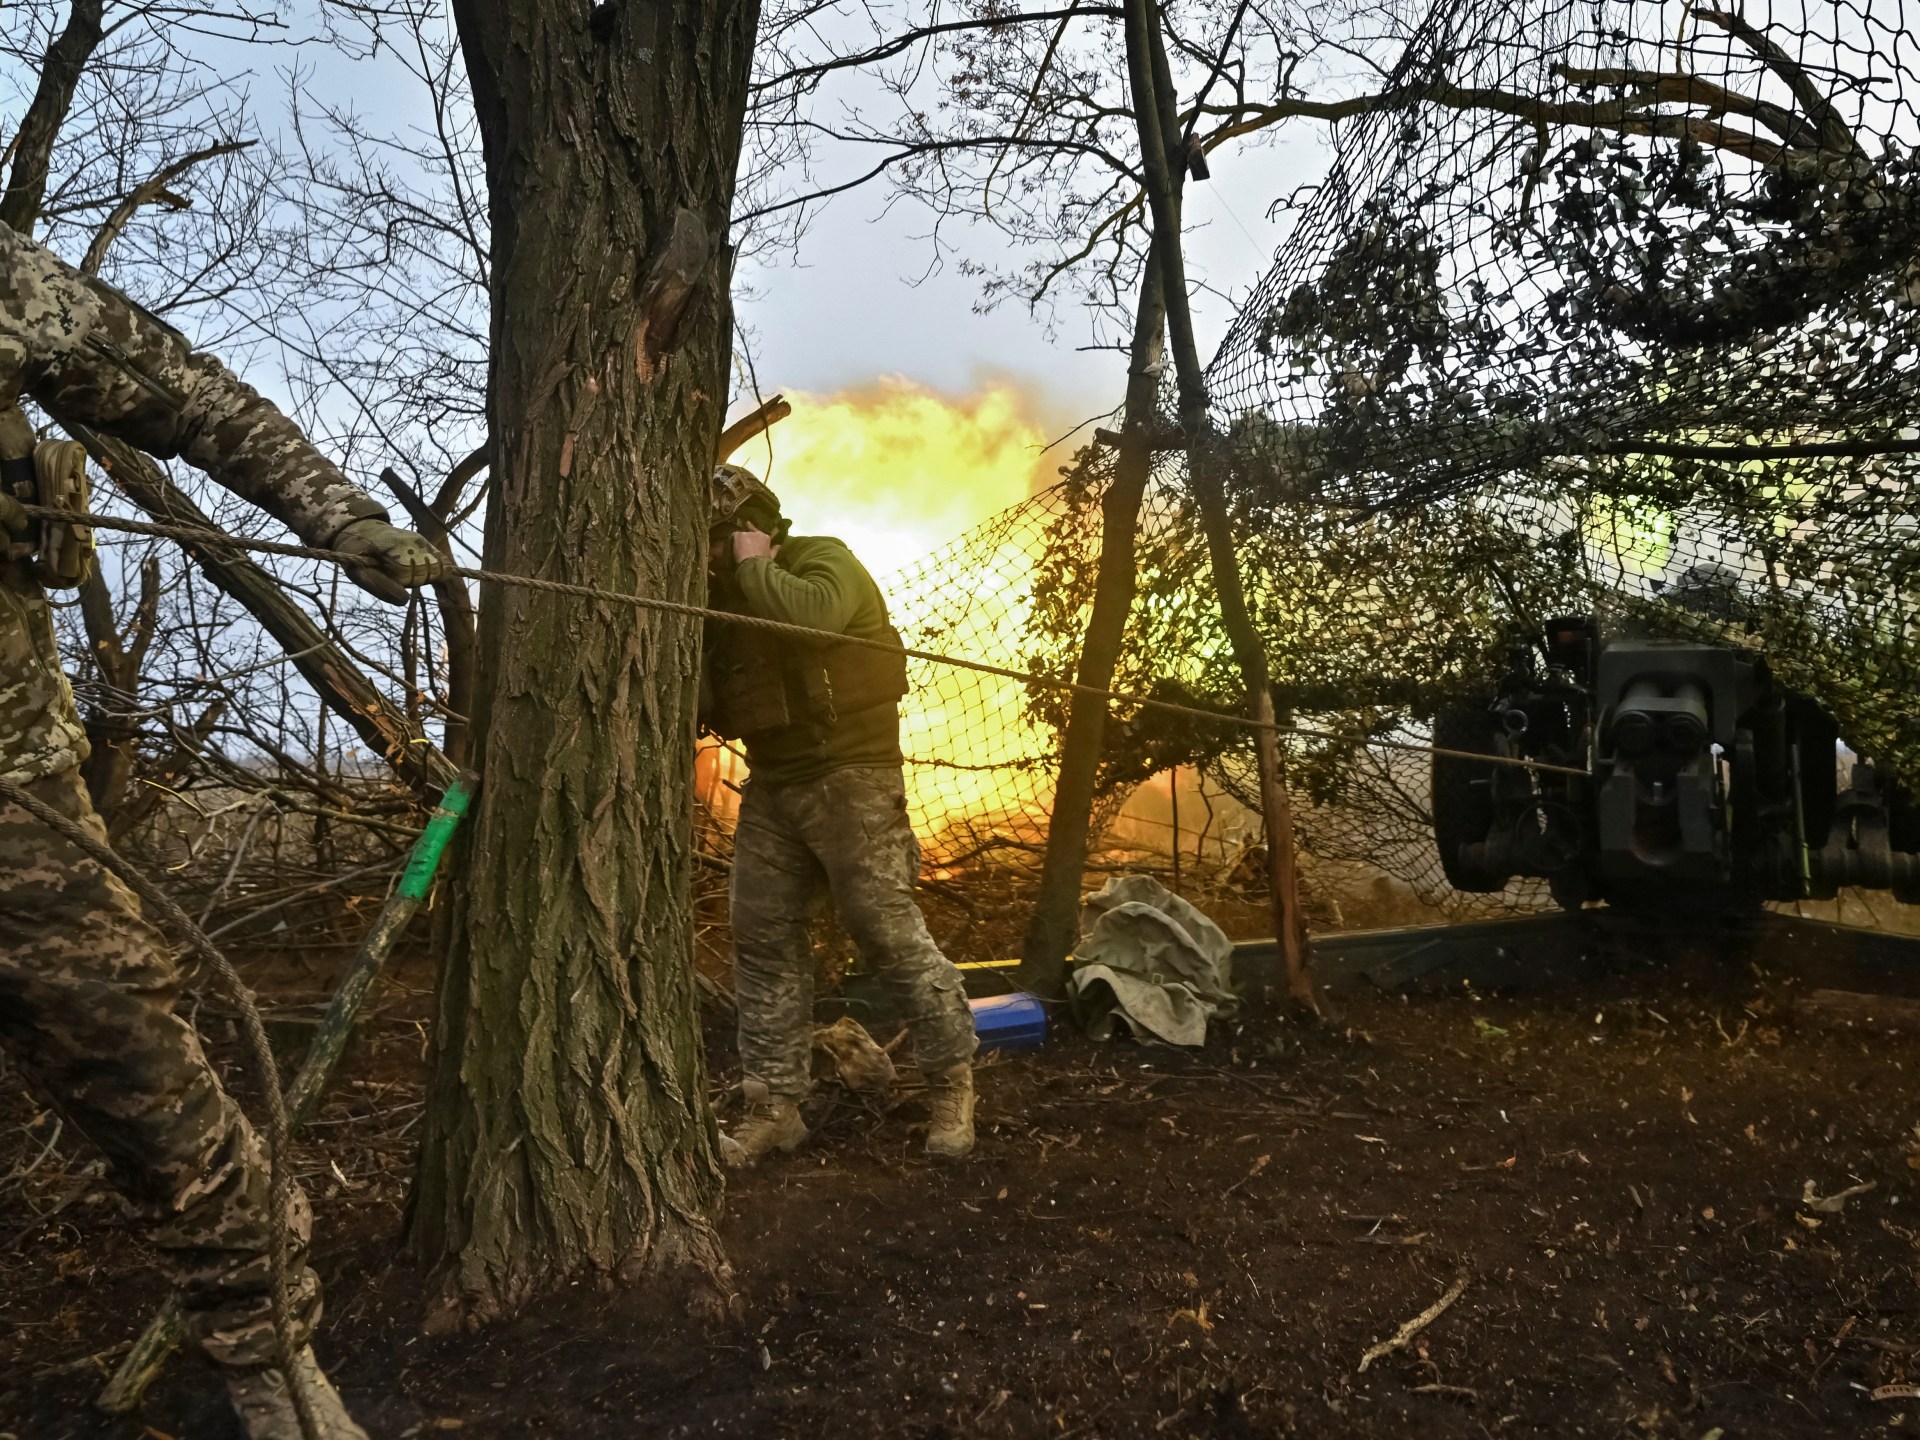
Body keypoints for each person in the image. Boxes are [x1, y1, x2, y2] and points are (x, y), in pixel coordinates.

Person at [0, 217, 446, 1439]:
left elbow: (184, 391)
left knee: (142, 1070)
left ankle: (272, 1362)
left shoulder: (4, 284)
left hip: (16, 805)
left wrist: (338, 519)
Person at [703, 463, 978, 1165]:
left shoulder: (821, 559)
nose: (704, 552)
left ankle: (951, 1082)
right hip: (776, 785)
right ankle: (774, 1106)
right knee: (761, 937)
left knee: (883, 930)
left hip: (853, 777)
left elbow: (815, 619)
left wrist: (753, 566)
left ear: (748, 527)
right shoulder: (721, 605)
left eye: (715, 536)